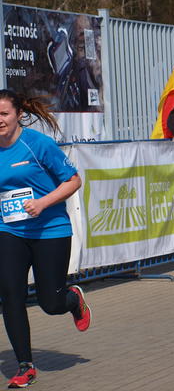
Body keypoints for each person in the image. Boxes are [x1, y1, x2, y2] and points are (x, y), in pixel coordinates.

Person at [0, 90, 91, 388]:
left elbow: (73, 180)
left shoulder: (38, 144)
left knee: (50, 303)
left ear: (18, 115)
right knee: (11, 295)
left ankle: (72, 299)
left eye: (4, 114)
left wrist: (42, 203)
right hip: (10, 230)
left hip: (50, 230)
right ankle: (25, 365)